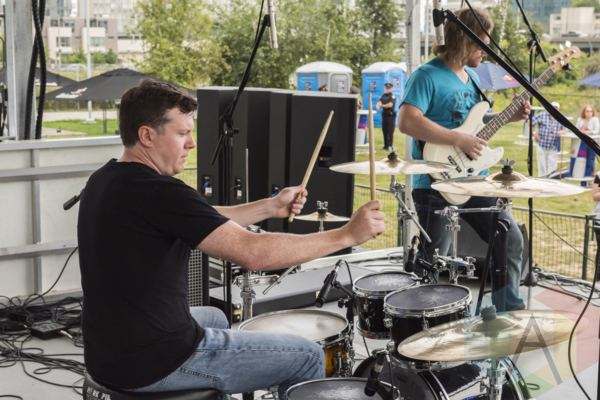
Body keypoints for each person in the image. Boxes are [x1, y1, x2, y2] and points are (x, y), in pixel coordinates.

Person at [77, 79, 385, 399]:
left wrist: (271, 206)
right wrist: (347, 234)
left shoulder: (106, 180)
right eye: (182, 133)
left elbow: (203, 217)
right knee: (307, 355)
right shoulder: (160, 191)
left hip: (108, 352)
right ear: (147, 135)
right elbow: (254, 253)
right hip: (154, 361)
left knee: (217, 316)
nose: (192, 143)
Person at [397, 7, 530, 311]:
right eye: (482, 41)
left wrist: (508, 116)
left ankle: (507, 310)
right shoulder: (426, 75)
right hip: (436, 183)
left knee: (508, 237)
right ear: (463, 38)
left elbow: (471, 127)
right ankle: (421, 320)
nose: (486, 49)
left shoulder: (470, 77)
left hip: (473, 179)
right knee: (434, 261)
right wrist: (458, 140)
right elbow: (407, 121)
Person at [532, 101, 566, 177]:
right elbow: (530, 123)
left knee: (553, 165)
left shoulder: (561, 118)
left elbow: (565, 130)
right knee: (542, 165)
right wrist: (534, 134)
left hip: (553, 145)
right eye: (553, 107)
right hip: (541, 144)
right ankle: (542, 179)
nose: (554, 109)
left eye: (556, 108)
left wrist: (561, 132)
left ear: (558, 109)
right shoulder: (542, 115)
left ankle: (551, 179)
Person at [576, 104, 600, 184]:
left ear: (593, 112)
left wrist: (588, 132)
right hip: (581, 143)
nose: (589, 113)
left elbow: (597, 130)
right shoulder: (580, 119)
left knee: (590, 161)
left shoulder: (595, 119)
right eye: (587, 111)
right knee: (581, 161)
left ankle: (586, 181)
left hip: (592, 143)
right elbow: (576, 129)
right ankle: (584, 179)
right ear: (584, 112)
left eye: (590, 111)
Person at [376, 83, 397, 150]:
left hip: (390, 116)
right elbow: (379, 102)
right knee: (384, 131)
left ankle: (390, 146)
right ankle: (385, 146)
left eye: (389, 88)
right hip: (384, 115)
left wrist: (382, 105)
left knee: (390, 131)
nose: (387, 89)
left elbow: (390, 105)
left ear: (391, 89)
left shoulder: (392, 96)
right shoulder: (383, 95)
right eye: (386, 88)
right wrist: (377, 105)